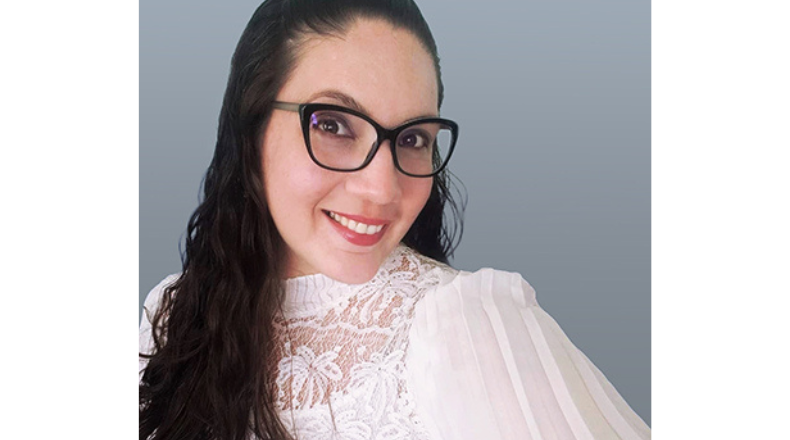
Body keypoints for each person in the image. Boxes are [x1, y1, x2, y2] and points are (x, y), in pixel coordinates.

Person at [139, 0, 651, 439]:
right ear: (251, 130)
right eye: (334, 125)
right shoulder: (174, 314)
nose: (382, 188)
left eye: (412, 139)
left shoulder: (462, 325)